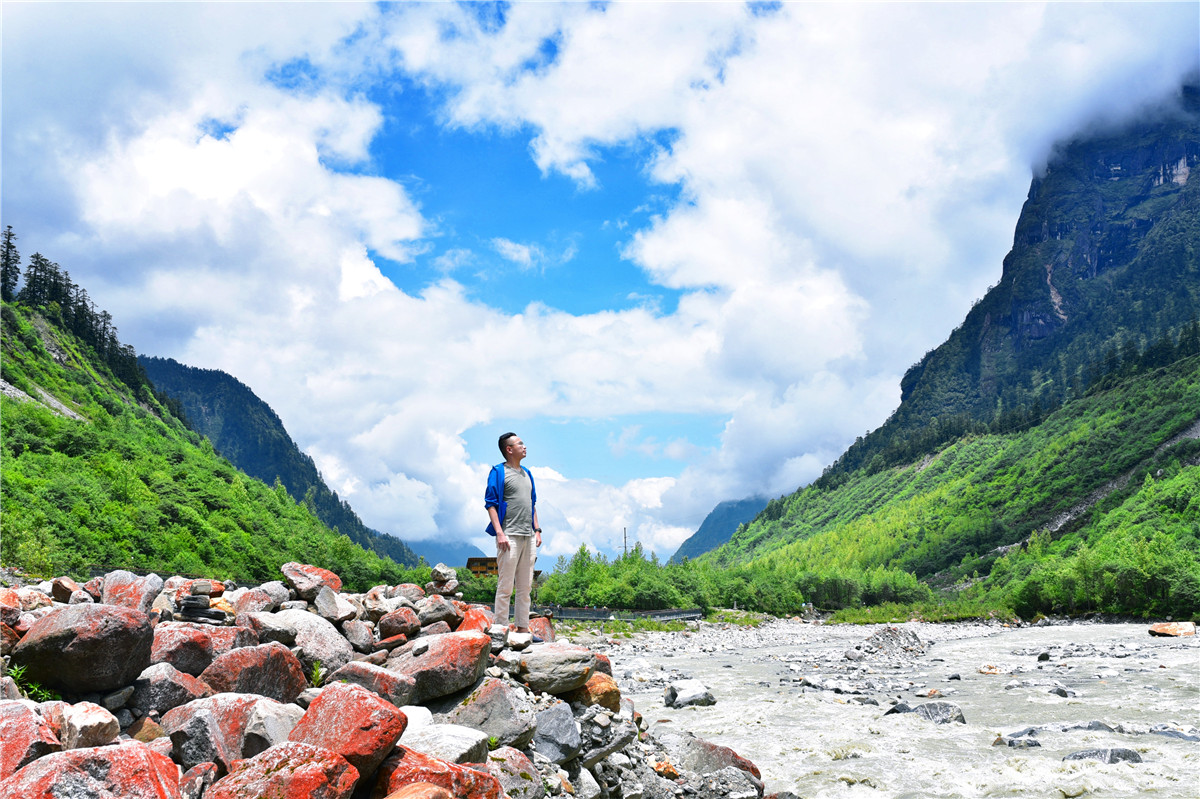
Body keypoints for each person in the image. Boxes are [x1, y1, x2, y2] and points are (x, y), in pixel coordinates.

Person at [485, 432, 542, 635]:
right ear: (509, 449)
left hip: (528, 536)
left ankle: (523, 628)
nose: (525, 446)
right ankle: (500, 629)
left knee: (525, 586)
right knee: (506, 585)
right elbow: (490, 504)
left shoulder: (527, 473)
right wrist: (499, 533)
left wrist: (537, 529)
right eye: (520, 443)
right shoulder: (498, 472)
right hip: (508, 534)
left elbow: (532, 503)